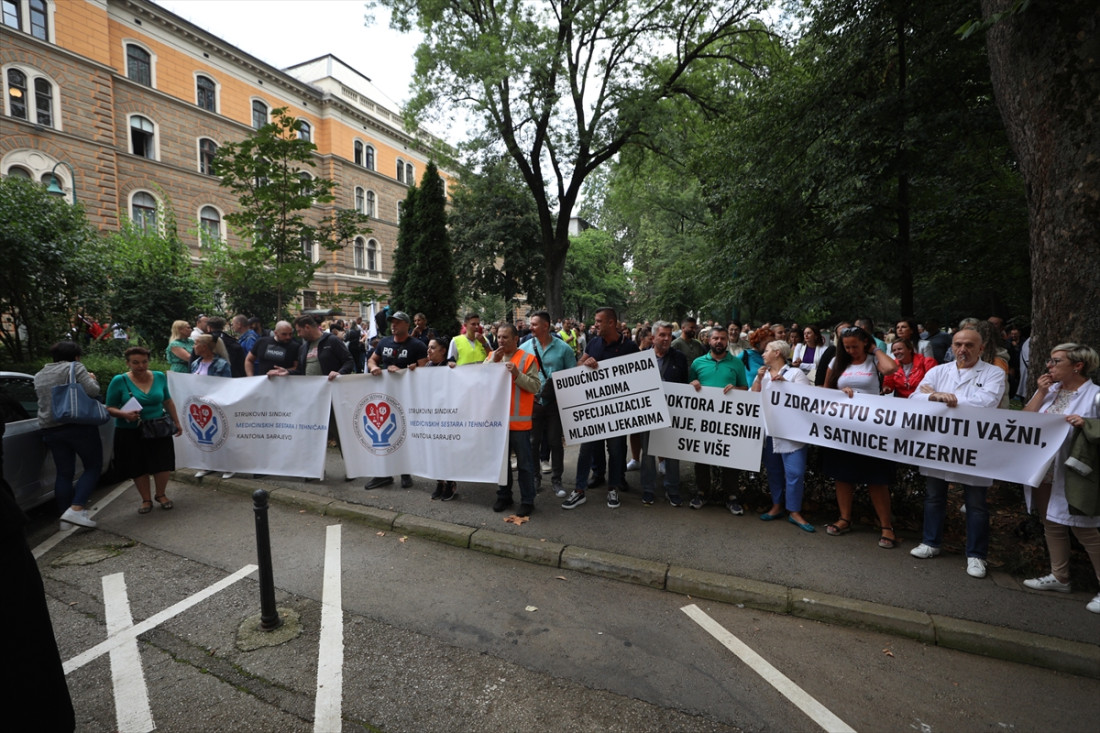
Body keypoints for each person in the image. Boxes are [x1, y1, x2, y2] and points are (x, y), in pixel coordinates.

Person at [908, 327, 1007, 578]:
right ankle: (931, 542)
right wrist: (933, 397)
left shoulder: (994, 372)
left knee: (976, 504)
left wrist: (943, 397)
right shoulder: (939, 371)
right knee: (934, 496)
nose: (963, 349)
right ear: (952, 346)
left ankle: (976, 555)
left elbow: (986, 402)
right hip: (938, 444)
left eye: (969, 345)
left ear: (981, 348)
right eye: (958, 344)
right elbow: (914, 397)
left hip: (972, 447)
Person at [1021, 343, 1100, 613]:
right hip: (1045, 468)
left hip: (1075, 472)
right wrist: (1041, 393)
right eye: (1049, 360)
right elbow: (1024, 421)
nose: (1049, 366)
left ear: (1077, 366)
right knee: (1051, 523)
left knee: (1084, 529)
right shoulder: (1050, 391)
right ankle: (1060, 576)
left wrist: (1086, 423)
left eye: (1055, 361)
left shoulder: (1095, 396)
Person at [822, 326, 899, 548]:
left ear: (865, 342)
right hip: (842, 428)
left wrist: (875, 350)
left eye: (855, 346)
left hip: (871, 428)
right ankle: (845, 518)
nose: (851, 350)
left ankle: (886, 526)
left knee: (876, 478)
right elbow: (825, 391)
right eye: (846, 347)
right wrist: (840, 394)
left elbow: (891, 369)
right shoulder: (837, 363)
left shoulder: (875, 360)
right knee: (843, 475)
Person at [562, 307, 639, 510]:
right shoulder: (594, 342)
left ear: (611, 323)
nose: (594, 324)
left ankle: (612, 488)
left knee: (616, 450)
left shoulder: (629, 346)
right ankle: (579, 490)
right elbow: (579, 365)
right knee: (585, 449)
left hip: (617, 411)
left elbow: (639, 377)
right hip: (594, 410)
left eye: (598, 321)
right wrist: (585, 363)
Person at [34, 341, 103, 530]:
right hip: (77, 426)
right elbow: (93, 391)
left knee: (64, 473)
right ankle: (76, 508)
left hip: (50, 428)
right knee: (93, 466)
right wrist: (92, 378)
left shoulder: (40, 374)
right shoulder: (75, 367)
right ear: (76, 356)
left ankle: (65, 519)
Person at [105, 347, 182, 514]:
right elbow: (109, 407)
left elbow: (168, 401)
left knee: (163, 463)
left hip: (157, 427)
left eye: (144, 362)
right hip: (130, 430)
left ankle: (161, 495)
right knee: (137, 465)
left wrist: (176, 421)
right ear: (127, 363)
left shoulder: (159, 376)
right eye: (135, 362)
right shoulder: (119, 381)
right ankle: (146, 499)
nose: (141, 366)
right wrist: (123, 413)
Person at [751, 339, 814, 532]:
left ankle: (794, 511)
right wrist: (759, 380)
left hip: (792, 434)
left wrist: (786, 384)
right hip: (770, 432)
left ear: (777, 352)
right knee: (774, 471)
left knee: (794, 473)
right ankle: (777, 505)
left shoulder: (795, 373)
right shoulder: (762, 374)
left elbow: (806, 399)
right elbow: (752, 397)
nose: (763, 354)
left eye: (767, 350)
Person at [688, 325, 749, 513]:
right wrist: (693, 384)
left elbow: (745, 389)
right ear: (709, 340)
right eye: (716, 338)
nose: (719, 342)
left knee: (730, 457)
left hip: (728, 419)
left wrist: (735, 390)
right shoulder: (697, 363)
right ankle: (702, 492)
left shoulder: (736, 363)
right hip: (703, 418)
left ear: (727, 341)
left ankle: (732, 496)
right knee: (701, 456)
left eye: (723, 339)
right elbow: (687, 388)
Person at [364, 311, 427, 490]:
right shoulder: (384, 342)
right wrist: (375, 367)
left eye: (398, 322)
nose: (394, 325)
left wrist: (406, 369)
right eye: (392, 322)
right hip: (385, 397)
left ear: (407, 325)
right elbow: (372, 360)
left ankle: (405, 472)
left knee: (403, 434)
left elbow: (425, 371)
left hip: (407, 397)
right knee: (383, 434)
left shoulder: (417, 345)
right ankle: (383, 474)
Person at [521, 310, 577, 498]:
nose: (531, 327)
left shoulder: (564, 349)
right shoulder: (525, 346)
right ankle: (535, 478)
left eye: (535, 324)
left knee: (555, 442)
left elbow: (573, 376)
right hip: (533, 402)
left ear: (546, 326)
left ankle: (557, 480)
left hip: (554, 404)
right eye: (531, 324)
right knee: (532, 442)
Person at [487, 324, 540, 516]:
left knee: (525, 465)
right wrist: (493, 362)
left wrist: (517, 374)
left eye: (505, 337)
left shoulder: (527, 359)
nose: (500, 340)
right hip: (498, 423)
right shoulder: (492, 357)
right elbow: (479, 380)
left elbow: (535, 386)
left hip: (519, 423)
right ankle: (504, 496)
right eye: (499, 337)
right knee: (502, 465)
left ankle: (527, 500)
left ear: (516, 339)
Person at [639, 321, 689, 506]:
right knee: (648, 453)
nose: (667, 338)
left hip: (672, 412)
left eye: (669, 335)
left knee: (672, 451)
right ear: (653, 338)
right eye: (662, 335)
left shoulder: (679, 358)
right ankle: (648, 489)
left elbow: (685, 384)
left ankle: (673, 489)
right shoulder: (641, 358)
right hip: (648, 413)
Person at [268, 315, 355, 380]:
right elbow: (300, 371)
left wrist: (339, 373)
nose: (298, 335)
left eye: (299, 331)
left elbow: (349, 361)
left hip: (331, 391)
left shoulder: (332, 340)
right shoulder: (303, 348)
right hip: (311, 393)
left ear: (307, 327)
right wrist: (287, 371)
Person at [425, 338, 458, 501]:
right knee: (435, 451)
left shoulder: (450, 366)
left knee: (447, 451)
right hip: (432, 416)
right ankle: (440, 482)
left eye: (433, 348)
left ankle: (450, 483)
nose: (429, 351)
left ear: (443, 350)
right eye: (428, 348)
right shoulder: (427, 367)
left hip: (448, 417)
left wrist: (455, 369)